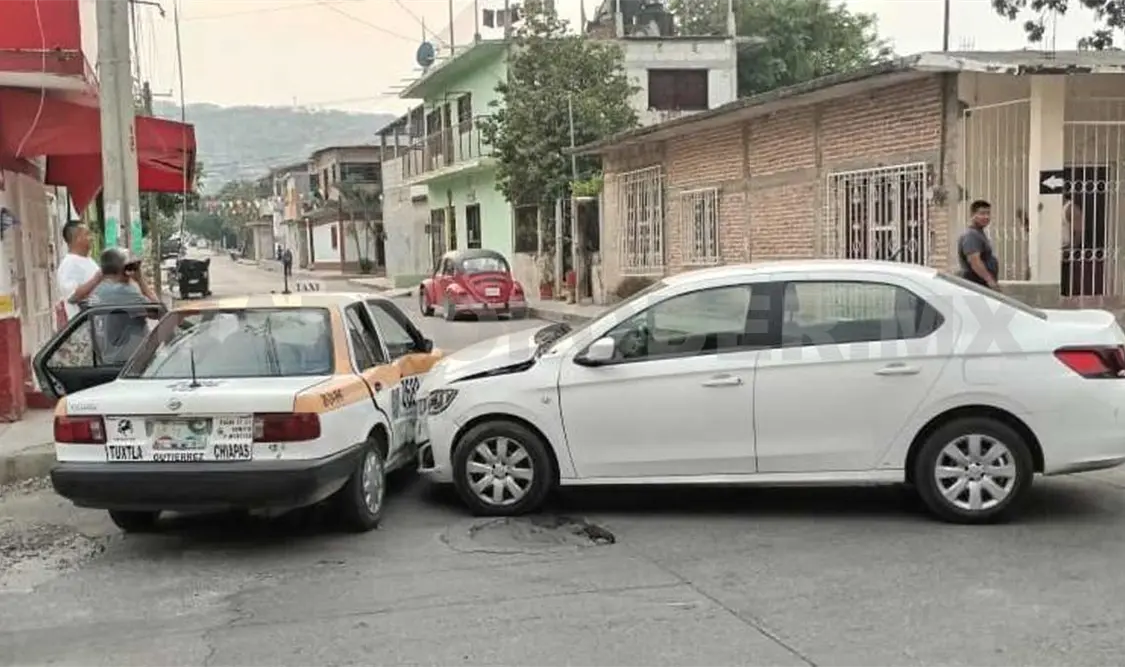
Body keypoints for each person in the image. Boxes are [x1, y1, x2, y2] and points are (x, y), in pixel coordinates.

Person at [90, 248, 158, 363]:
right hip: (132, 363)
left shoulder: (98, 290)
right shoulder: (124, 292)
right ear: (123, 269)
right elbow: (158, 311)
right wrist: (141, 281)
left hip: (108, 360)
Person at [55, 220, 101, 322]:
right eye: (87, 234)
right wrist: (97, 279)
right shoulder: (68, 265)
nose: (92, 238)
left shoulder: (90, 261)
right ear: (77, 238)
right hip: (83, 328)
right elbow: (72, 296)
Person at [957, 200, 1000, 289]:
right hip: (976, 286)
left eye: (988, 213)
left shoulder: (979, 233)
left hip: (981, 285)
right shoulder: (971, 235)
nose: (986, 217)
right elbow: (975, 261)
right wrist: (991, 281)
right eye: (982, 213)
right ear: (972, 215)